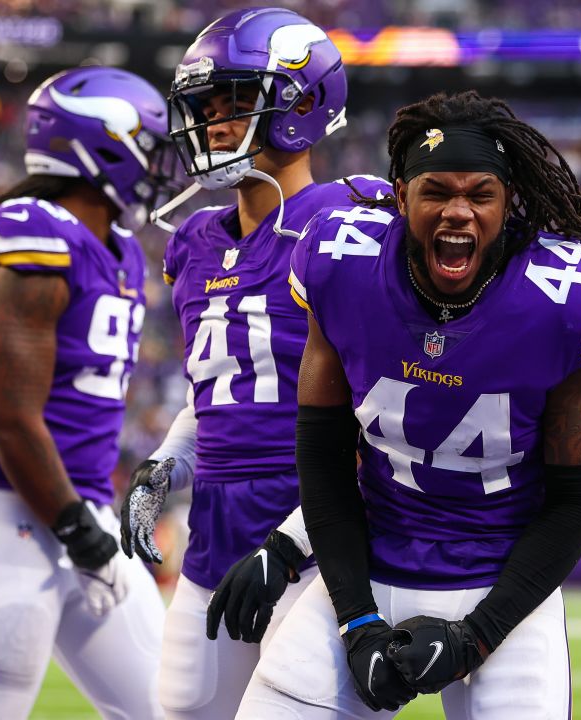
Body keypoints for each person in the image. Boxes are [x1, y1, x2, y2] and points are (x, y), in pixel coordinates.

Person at [239, 90, 581, 719]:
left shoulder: (570, 298)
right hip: (370, 565)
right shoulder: (340, 263)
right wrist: (356, 621)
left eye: (481, 194)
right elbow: (323, 463)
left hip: (502, 583)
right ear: (400, 196)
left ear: (508, 203)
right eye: (436, 193)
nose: (459, 212)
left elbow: (578, 501)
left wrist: (475, 637)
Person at [116, 8, 390, 719]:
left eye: (235, 102)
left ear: (301, 103)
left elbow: (385, 406)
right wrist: (165, 465)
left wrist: (298, 536)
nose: (211, 123)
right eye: (205, 106)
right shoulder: (196, 242)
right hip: (215, 534)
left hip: (318, 533)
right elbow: (216, 395)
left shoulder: (346, 225)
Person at [0, 66, 174, 720]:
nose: (159, 164)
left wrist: (86, 527)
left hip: (81, 508)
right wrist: (78, 534)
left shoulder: (119, 249)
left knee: (172, 707)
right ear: (102, 144)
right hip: (10, 510)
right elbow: (9, 419)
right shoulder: (33, 232)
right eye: (149, 146)